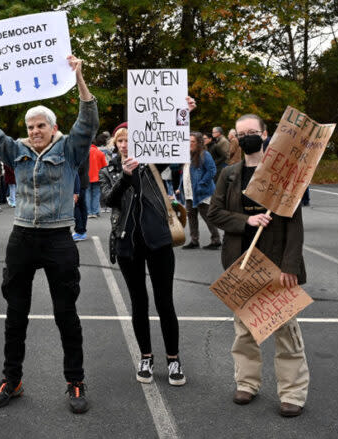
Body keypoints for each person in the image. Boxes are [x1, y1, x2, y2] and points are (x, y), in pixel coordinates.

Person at [0, 55, 97, 414]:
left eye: (40, 125)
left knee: (66, 314)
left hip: (58, 239)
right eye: (30, 126)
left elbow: (88, 119)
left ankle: (75, 381)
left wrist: (80, 78)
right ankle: (13, 379)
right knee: (16, 313)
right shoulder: (17, 150)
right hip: (22, 237)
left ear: (53, 127)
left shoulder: (70, 149)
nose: (34, 131)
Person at [206, 114, 309, 418]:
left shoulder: (284, 175)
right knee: (245, 329)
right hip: (242, 261)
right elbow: (215, 213)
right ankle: (246, 383)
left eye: (253, 131)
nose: (247, 136)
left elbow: (295, 224)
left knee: (286, 332)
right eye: (241, 133)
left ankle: (292, 392)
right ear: (235, 138)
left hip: (277, 262)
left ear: (266, 135)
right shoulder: (229, 174)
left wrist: (290, 265)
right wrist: (246, 220)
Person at [100, 105, 193, 388]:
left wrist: (183, 114)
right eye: (120, 140)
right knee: (138, 302)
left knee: (165, 301)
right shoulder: (110, 170)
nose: (126, 144)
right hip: (127, 243)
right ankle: (146, 356)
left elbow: (173, 143)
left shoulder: (153, 164)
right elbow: (108, 200)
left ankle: (173, 358)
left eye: (130, 138)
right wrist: (126, 177)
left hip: (158, 241)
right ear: (114, 145)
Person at [177, 132, 221, 249]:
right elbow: (185, 173)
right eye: (188, 141)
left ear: (199, 143)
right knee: (191, 216)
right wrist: (180, 187)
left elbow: (212, 170)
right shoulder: (186, 155)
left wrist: (202, 183)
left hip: (201, 192)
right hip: (189, 192)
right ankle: (194, 240)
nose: (190, 144)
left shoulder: (204, 154)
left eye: (193, 141)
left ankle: (216, 240)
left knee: (206, 216)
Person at [85, 138, 107, 218]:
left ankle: (88, 212)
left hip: (86, 176)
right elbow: (104, 166)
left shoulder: (83, 153)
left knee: (87, 193)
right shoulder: (100, 153)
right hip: (97, 176)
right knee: (96, 194)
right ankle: (95, 211)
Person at [73, 156, 89, 241]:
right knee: (82, 206)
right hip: (83, 181)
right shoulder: (84, 149)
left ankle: (80, 231)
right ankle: (81, 231)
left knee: (76, 206)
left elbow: (78, 168)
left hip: (78, 182)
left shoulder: (80, 150)